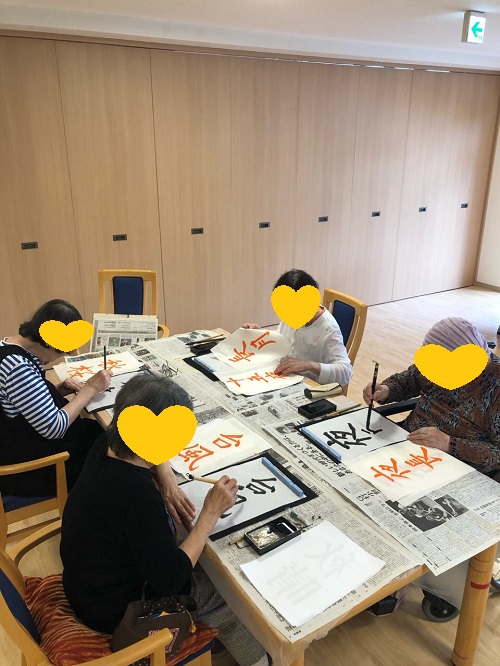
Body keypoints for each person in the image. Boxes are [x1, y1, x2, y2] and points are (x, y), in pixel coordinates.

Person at [60, 374, 269, 666]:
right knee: (232, 591)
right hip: (116, 612)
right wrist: (210, 512)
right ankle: (260, 659)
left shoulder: (105, 443)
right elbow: (172, 579)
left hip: (85, 583)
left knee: (193, 545)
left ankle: (223, 640)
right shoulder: (135, 493)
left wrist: (166, 474)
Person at [363, 316, 500, 612]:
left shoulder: (496, 386)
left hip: (458, 467)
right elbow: (409, 379)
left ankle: (403, 574)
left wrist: (450, 443)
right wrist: (386, 390)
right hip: (408, 447)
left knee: (401, 512)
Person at [0, 299, 112, 497]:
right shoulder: (18, 368)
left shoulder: (7, 345)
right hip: (34, 468)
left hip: (22, 443)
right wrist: (91, 388)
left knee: (97, 430)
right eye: (60, 352)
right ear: (49, 343)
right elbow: (54, 428)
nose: (57, 358)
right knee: (113, 446)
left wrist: (56, 390)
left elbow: (20, 401)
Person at [244, 269, 352, 387]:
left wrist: (310, 365)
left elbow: (346, 372)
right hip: (282, 377)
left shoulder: (328, 328)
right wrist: (260, 333)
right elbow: (283, 339)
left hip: (307, 385)